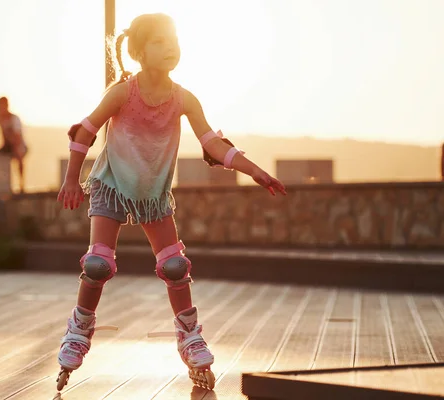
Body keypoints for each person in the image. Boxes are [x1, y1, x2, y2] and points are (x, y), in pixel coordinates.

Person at [55, 13, 287, 391]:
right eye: (160, 42)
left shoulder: (183, 98)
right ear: (139, 51)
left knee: (175, 266)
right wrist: (71, 179)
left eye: (173, 41)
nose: (170, 48)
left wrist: (254, 170)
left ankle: (191, 338)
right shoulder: (122, 93)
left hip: (153, 194)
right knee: (97, 263)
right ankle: (79, 330)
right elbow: (85, 130)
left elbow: (212, 143)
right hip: (111, 185)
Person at [0, 97, 28, 192]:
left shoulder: (14, 118)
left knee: (18, 156)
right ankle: (2, 185)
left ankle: (21, 184)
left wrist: (15, 147)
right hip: (6, 146)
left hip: (18, 145)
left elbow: (17, 137)